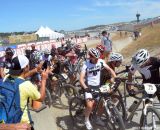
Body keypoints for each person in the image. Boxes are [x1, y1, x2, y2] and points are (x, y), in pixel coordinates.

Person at [79, 48, 116, 130]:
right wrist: (85, 88)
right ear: (90, 57)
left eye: (97, 58)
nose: (96, 60)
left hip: (98, 86)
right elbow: (81, 79)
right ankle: (86, 120)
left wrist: (115, 77)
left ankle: (97, 118)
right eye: (94, 58)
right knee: (90, 106)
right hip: (89, 87)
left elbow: (109, 70)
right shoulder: (86, 64)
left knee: (102, 104)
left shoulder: (101, 61)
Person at [8, 55, 49, 130]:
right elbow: (41, 98)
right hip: (23, 124)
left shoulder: (7, 77)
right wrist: (43, 80)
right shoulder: (26, 85)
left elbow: (22, 76)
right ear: (26, 67)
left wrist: (36, 69)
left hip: (9, 121)